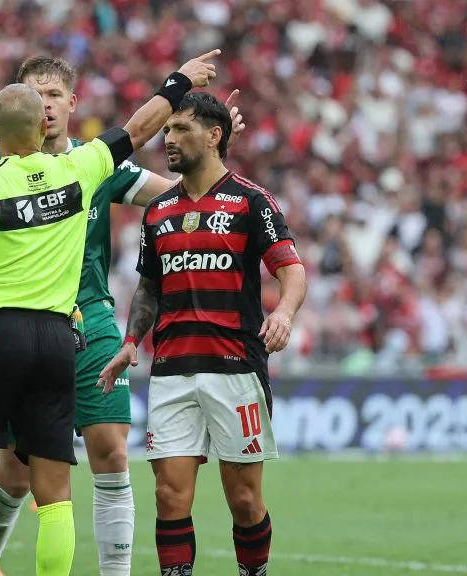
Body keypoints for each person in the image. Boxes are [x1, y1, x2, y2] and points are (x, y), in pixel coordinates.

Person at [0, 50, 222, 576]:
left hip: (20, 328)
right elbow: (137, 129)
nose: (49, 106)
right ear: (39, 122)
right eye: (40, 99)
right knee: (48, 488)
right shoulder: (82, 167)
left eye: (55, 94)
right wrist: (181, 89)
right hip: (55, 335)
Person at [98, 92, 307, 576]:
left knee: (245, 500)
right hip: (172, 368)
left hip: (235, 366)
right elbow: (149, 288)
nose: (168, 139)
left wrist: (284, 313)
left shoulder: (251, 201)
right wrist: (130, 342)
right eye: (167, 129)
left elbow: (291, 269)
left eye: (180, 129)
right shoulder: (158, 210)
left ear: (214, 136)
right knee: (169, 495)